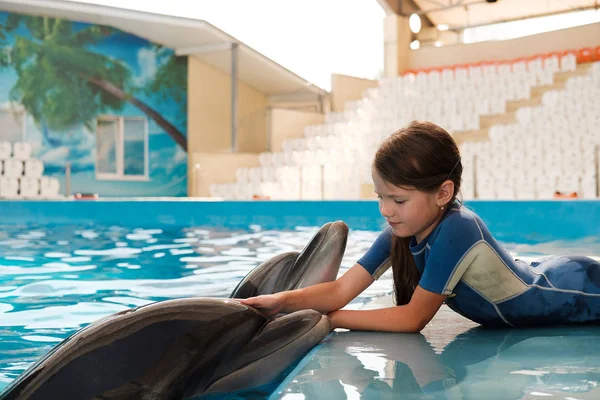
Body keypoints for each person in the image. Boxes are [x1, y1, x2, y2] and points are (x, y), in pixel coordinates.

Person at [240, 121, 600, 332]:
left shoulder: (459, 228)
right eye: (379, 197)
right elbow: (339, 290)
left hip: (573, 289)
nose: (385, 210)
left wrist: (331, 321)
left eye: (397, 200)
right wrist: (281, 301)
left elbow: (414, 318)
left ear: (443, 193)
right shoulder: (402, 231)